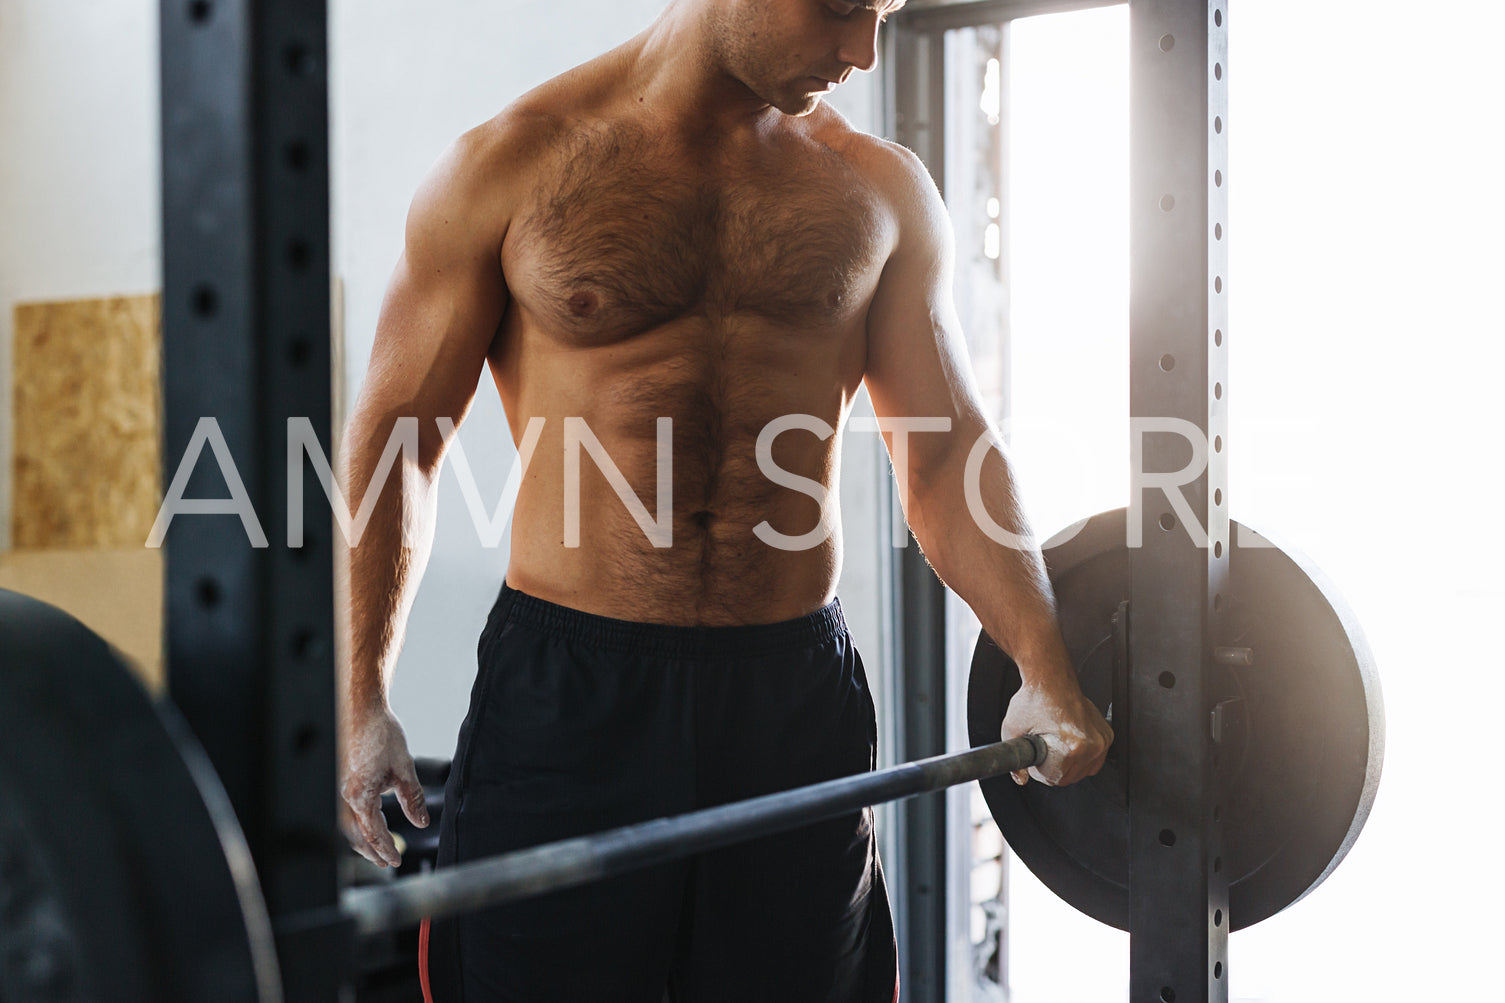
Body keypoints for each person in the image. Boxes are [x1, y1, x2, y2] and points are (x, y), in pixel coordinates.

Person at [338, 0, 1113, 999]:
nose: (861, 53)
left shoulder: (875, 192)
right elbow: (399, 442)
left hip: (787, 696)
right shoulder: (509, 167)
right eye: (839, 10)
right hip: (571, 696)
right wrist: (360, 701)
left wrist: (1043, 663)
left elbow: (945, 451)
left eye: (881, 15)